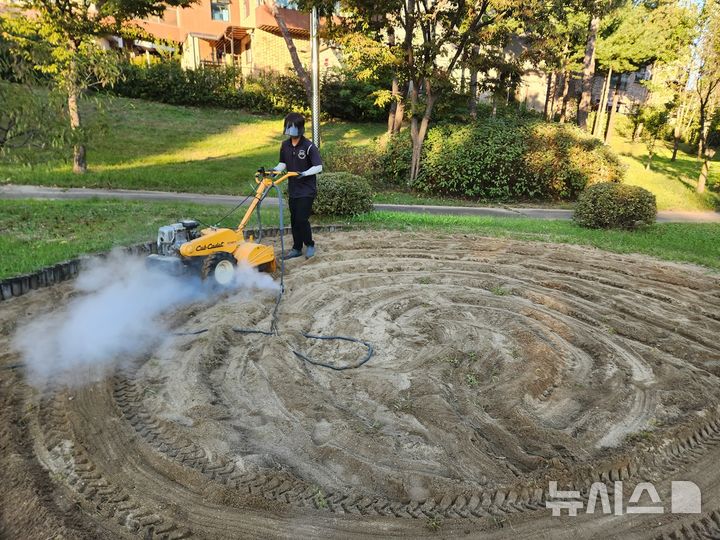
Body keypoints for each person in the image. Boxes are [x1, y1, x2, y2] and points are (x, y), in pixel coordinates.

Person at [272, 112, 322, 259]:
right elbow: (283, 164)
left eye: (293, 127)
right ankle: (296, 248)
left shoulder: (309, 146)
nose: (290, 131)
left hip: (307, 190)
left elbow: (318, 167)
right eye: (288, 127)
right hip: (293, 189)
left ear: (299, 128)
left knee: (301, 219)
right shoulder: (285, 145)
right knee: (294, 220)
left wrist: (304, 173)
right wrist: (273, 172)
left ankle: (310, 244)